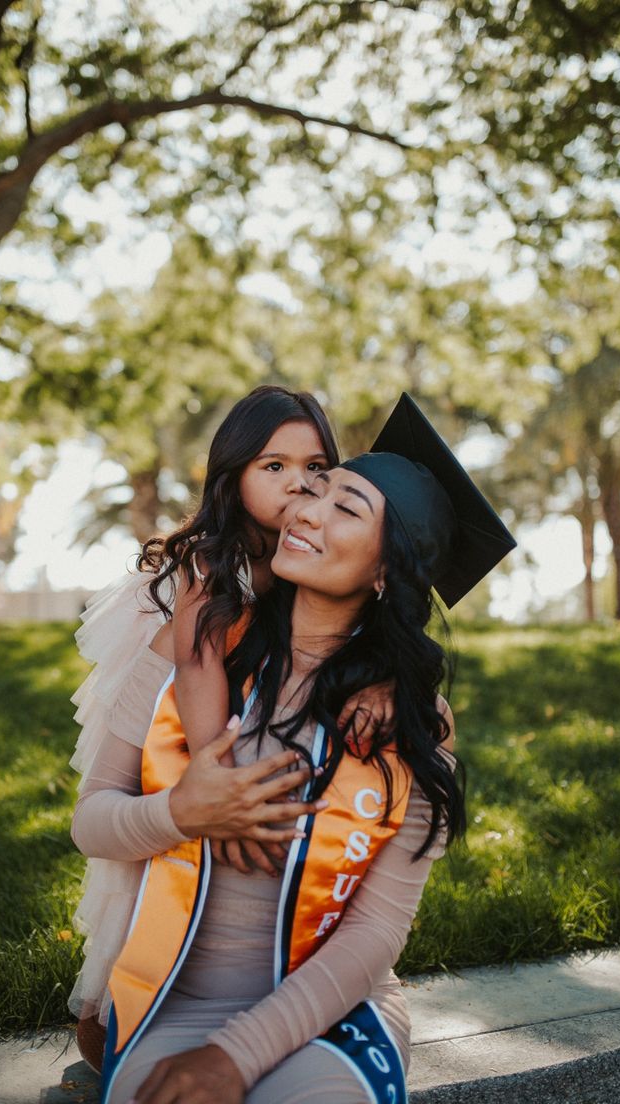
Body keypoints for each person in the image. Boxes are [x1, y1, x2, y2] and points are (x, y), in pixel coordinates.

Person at [71, 394, 517, 1103]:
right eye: (313, 491)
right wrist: (182, 813)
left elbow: (374, 934)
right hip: (170, 999)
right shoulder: (196, 640)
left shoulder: (410, 722)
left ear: (384, 573)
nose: (305, 507)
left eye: (344, 505)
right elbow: (90, 820)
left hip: (329, 1014)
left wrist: (235, 1057)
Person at [69, 386, 395, 1067]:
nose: (298, 484)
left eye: (315, 468)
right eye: (272, 466)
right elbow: (195, 684)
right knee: (105, 1034)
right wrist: (221, 784)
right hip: (185, 761)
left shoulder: (329, 575)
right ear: (234, 475)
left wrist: (387, 681)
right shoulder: (208, 576)